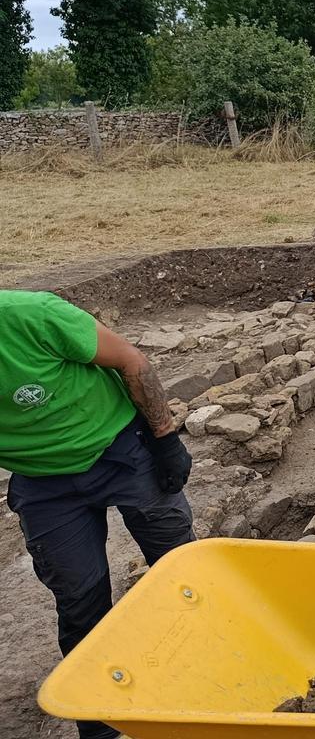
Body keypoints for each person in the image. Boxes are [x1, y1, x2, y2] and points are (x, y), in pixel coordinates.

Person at [1, 290, 195, 739]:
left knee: (180, 569)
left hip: (123, 451)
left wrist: (165, 439)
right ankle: (101, 723)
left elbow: (132, 361)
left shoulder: (31, 315)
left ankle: (200, 677)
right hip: (43, 480)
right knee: (80, 602)